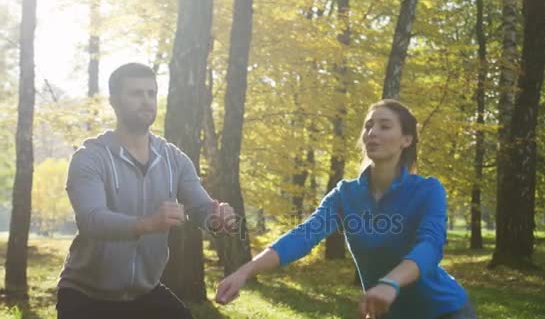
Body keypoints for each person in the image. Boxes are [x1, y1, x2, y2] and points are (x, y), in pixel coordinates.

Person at [215, 99, 477, 319]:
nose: (372, 132)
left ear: (406, 140)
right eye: (369, 126)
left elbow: (430, 246)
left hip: (444, 311)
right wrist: (244, 271)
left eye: (384, 126)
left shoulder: (428, 190)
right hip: (385, 312)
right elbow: (304, 235)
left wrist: (390, 282)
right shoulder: (345, 194)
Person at [56, 62, 234, 319]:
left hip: (144, 294)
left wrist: (218, 219)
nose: (147, 100)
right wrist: (147, 223)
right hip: (86, 297)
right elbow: (92, 220)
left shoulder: (174, 158)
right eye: (136, 93)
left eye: (151, 93)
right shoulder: (91, 157)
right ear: (114, 101)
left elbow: (200, 208)